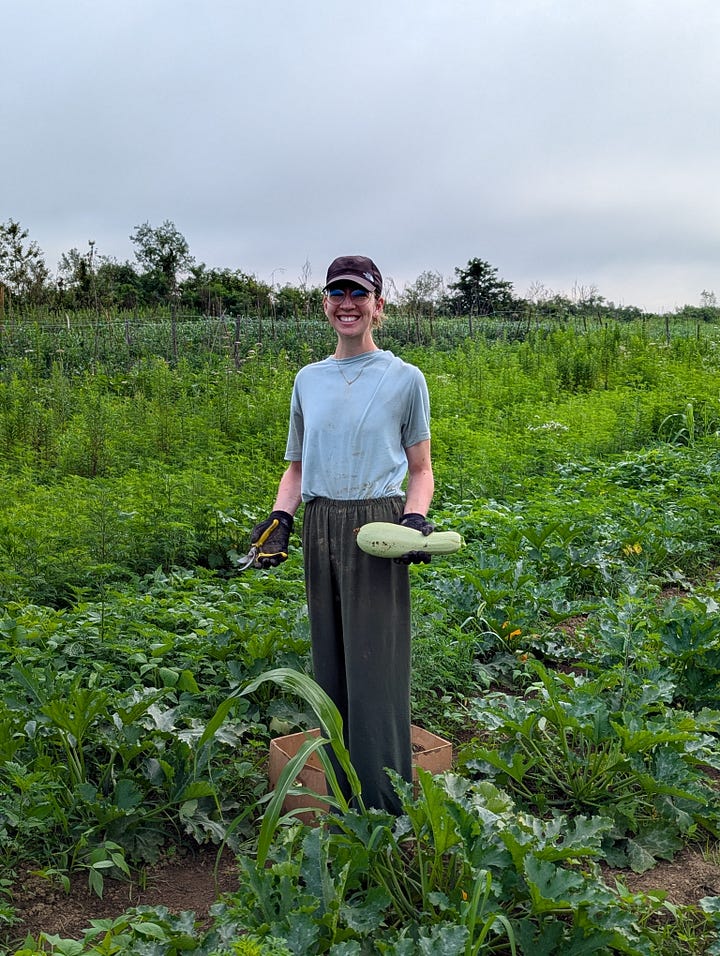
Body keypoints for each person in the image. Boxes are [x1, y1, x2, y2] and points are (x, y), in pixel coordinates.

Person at [250, 255, 434, 814]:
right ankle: (341, 789)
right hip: (319, 522)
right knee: (330, 661)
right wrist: (281, 519)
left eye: (359, 293)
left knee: (375, 663)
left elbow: (421, 469)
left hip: (376, 525)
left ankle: (384, 806)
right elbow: (298, 467)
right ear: (325, 304)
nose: (347, 303)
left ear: (379, 305)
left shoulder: (405, 379)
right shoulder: (309, 380)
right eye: (337, 293)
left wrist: (414, 520)